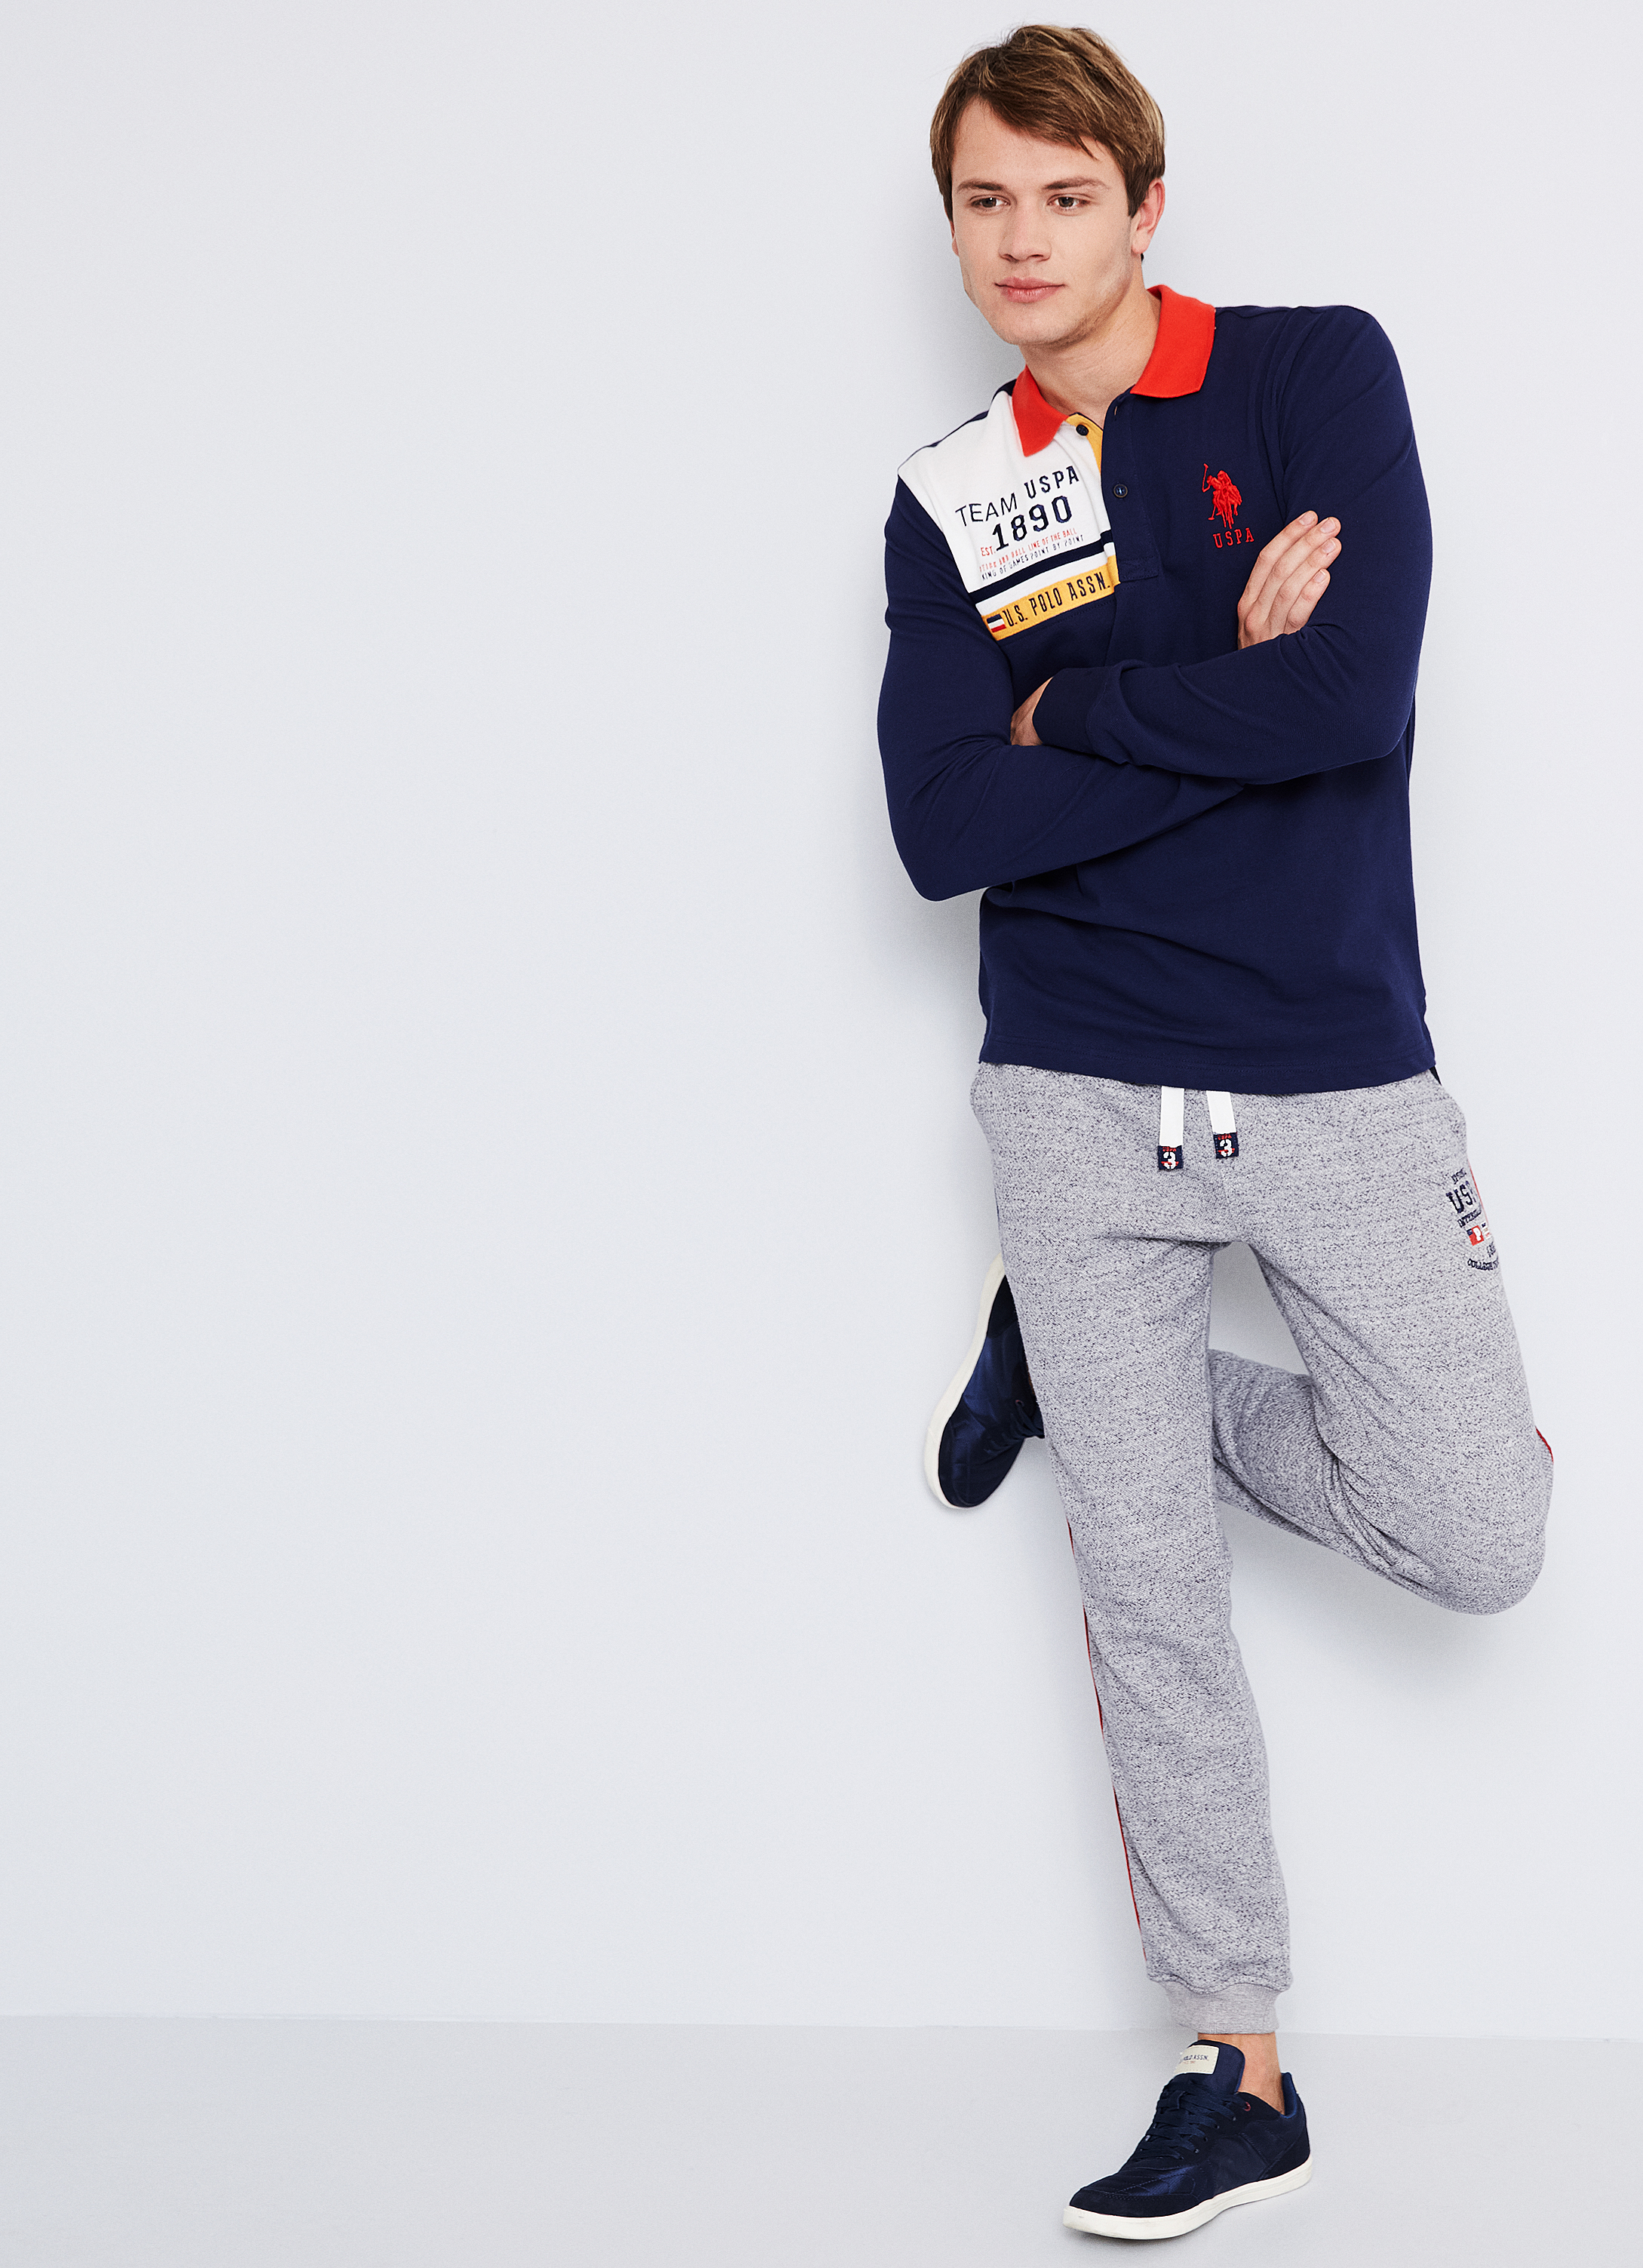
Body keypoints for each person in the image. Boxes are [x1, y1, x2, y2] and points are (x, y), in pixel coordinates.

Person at [877, 23, 1552, 2245]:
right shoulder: (952, 493)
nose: (1022, 240)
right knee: (1148, 1593)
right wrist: (1214, 703)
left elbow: (1351, 699)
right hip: (1075, 1081)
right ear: (953, 225)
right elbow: (942, 826)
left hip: (1330, 1069)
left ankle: (1074, 1390)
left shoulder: (1306, 375)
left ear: (1143, 209)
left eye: (1064, 198)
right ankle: (1235, 2062)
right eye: (985, 201)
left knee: (1479, 1531)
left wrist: (1068, 705)